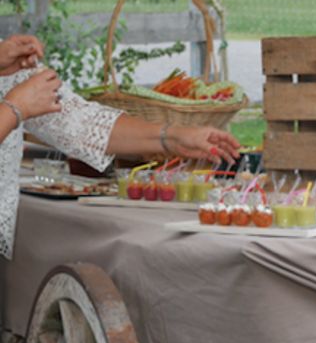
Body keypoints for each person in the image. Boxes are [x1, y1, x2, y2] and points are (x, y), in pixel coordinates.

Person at [0, 34, 241, 259]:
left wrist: (172, 137)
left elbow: (82, 123)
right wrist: (14, 108)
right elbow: (17, 106)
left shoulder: (10, 65)